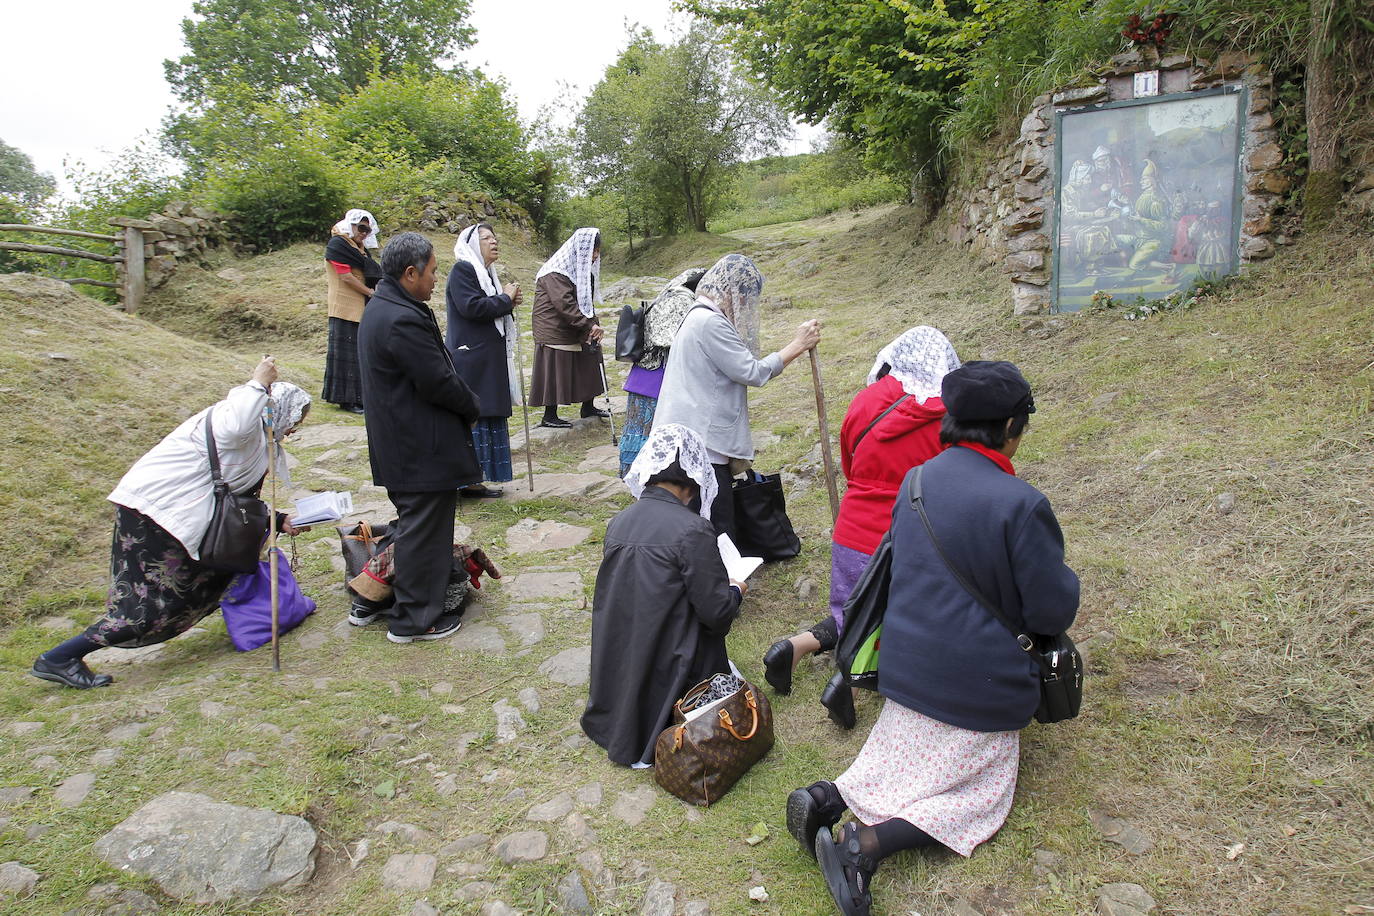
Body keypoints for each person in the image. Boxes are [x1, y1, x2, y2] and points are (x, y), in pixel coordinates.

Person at [785, 361, 1079, 916]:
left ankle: (831, 796)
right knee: (981, 791)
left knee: (902, 750)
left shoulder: (916, 482)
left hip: (907, 670)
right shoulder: (1021, 504)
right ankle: (863, 846)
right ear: (1011, 428)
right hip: (980, 686)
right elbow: (1050, 610)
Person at [30, 360, 312, 689]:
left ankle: (246, 623)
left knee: (209, 581)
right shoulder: (235, 424)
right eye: (294, 421)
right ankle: (60, 657)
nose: (293, 430)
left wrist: (278, 521)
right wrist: (257, 384)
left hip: (180, 516)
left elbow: (234, 500)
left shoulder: (255, 441)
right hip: (155, 516)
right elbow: (237, 426)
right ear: (272, 410)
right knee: (148, 607)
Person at [763, 327, 960, 705]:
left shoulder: (867, 399)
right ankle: (848, 681)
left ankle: (796, 646)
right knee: (901, 616)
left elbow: (850, 465)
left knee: (853, 609)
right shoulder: (948, 414)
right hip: (908, 530)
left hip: (852, 527)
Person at [581, 424, 748, 767]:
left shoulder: (620, 522)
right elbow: (716, 614)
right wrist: (735, 589)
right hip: (671, 661)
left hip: (623, 652)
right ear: (692, 477)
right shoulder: (692, 529)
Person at [356, 232, 483, 644]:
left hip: (405, 441)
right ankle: (412, 620)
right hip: (418, 446)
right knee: (422, 533)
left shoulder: (388, 305)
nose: (434, 279)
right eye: (431, 272)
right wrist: (472, 405)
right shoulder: (400, 318)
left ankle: (375, 600)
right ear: (409, 273)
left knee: (419, 527)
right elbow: (438, 381)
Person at [653, 253, 821, 542]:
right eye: (744, 297)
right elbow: (752, 372)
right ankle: (722, 581)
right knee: (715, 522)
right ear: (730, 291)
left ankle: (709, 576)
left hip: (689, 434)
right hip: (702, 439)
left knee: (701, 515)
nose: (745, 305)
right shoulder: (709, 322)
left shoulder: (699, 316)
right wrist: (798, 345)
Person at [446, 222, 523, 498]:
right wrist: (505, 298)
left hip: (485, 358)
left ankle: (476, 479)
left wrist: (508, 301)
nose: (494, 242)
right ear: (471, 244)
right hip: (472, 357)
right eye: (486, 238)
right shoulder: (463, 270)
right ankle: (466, 481)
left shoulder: (486, 274)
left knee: (488, 414)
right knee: (475, 416)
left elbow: (491, 306)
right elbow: (472, 307)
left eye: (494, 237)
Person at [617, 267, 707, 476]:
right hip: (658, 377)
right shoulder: (682, 300)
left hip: (645, 375)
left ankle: (640, 477)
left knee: (639, 431)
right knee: (654, 434)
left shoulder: (670, 294)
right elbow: (675, 340)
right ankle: (653, 480)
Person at [529, 227, 608, 428]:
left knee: (591, 353)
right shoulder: (554, 272)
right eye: (593, 251)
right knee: (556, 365)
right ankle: (549, 415)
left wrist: (594, 325)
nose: (595, 256)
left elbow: (586, 304)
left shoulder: (583, 274)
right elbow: (565, 305)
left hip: (572, 323)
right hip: (553, 326)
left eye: (597, 251)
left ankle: (588, 406)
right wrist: (588, 325)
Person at [322, 209, 382, 414]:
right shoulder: (338, 245)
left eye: (368, 229)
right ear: (351, 225)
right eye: (361, 228)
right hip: (345, 305)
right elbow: (345, 276)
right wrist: (369, 292)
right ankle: (347, 400)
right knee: (346, 354)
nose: (364, 233)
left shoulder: (360, 249)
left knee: (357, 352)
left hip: (360, 304)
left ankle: (358, 397)